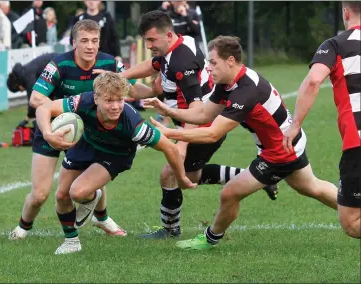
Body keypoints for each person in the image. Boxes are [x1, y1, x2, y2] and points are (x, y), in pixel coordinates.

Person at [144, 35, 338, 250]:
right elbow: (204, 115)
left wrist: (170, 133)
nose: (208, 68)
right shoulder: (228, 82)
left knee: (230, 193)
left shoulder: (245, 91)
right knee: (313, 187)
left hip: (280, 152)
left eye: (213, 62)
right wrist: (167, 110)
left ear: (230, 61)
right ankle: (353, 210)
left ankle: (210, 239)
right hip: (289, 142)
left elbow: (212, 134)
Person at [120, 11, 278, 239]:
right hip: (194, 120)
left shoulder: (182, 63)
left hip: (203, 124)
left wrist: (180, 143)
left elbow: (195, 108)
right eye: (147, 40)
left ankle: (170, 230)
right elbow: (154, 67)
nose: (149, 45)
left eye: (152, 40)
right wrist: (123, 76)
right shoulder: (172, 48)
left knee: (170, 174)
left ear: (168, 35)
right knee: (190, 176)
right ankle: (257, 179)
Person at [8, 20, 149, 240]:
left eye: (94, 41)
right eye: (84, 40)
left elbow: (132, 88)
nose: (90, 46)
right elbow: (36, 98)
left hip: (87, 133)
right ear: (74, 43)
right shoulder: (59, 64)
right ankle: (23, 227)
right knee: (40, 194)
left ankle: (101, 217)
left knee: (93, 176)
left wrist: (155, 91)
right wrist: (65, 115)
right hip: (53, 127)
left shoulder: (110, 63)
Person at [36, 71, 196, 254]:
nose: (115, 106)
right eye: (109, 100)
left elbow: (171, 148)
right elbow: (44, 108)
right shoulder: (82, 101)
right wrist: (48, 133)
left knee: (78, 192)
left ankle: (91, 196)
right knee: (61, 195)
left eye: (120, 100)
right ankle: (72, 241)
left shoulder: (134, 125)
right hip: (86, 144)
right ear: (96, 99)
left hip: (115, 154)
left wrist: (181, 177)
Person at [283, 1, 361, 239]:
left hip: (357, 141)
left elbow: (314, 81)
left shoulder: (336, 45)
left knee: (351, 221)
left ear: (345, 12)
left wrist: (294, 125)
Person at [7, 52, 59, 126]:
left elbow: (33, 100)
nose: (22, 90)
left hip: (59, 65)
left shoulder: (27, 76)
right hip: (57, 64)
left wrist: (26, 119)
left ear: (17, 85)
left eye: (19, 89)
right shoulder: (25, 71)